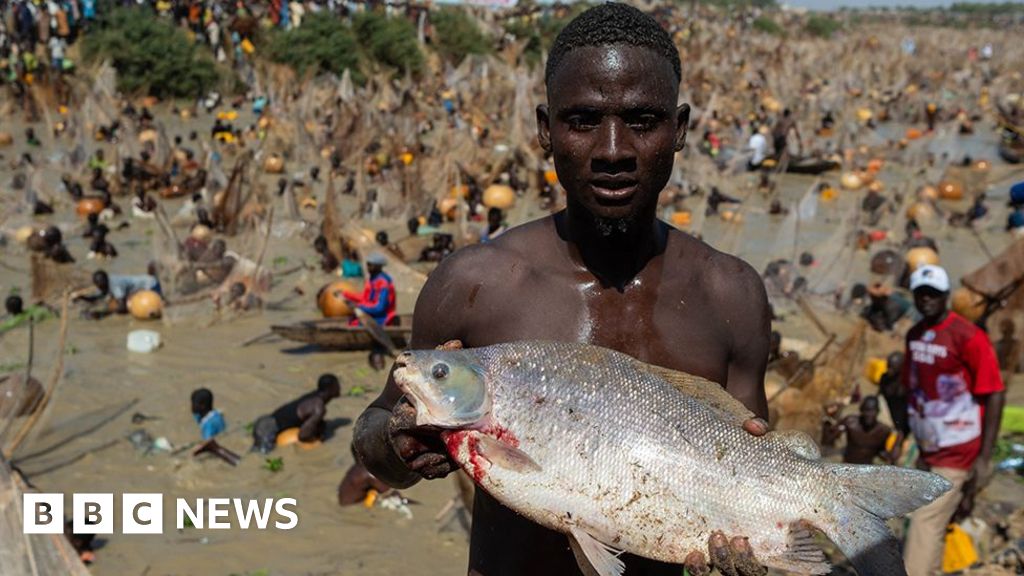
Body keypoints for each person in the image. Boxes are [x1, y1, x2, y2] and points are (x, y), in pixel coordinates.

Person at [353, 5, 771, 575]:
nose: (613, 150)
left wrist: (750, 550)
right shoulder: (475, 283)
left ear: (679, 131)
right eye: (583, 120)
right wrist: (398, 443)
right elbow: (376, 433)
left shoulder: (731, 295)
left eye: (642, 121)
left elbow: (755, 471)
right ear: (546, 130)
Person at [902, 264, 1006, 576]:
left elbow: (995, 392)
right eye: (921, 294)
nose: (926, 300)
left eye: (933, 294)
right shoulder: (915, 335)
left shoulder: (968, 337)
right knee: (931, 525)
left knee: (925, 521)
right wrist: (909, 439)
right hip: (929, 444)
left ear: (946, 296)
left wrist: (984, 457)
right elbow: (913, 388)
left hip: (958, 448)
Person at [252, 374, 342, 453]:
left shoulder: (315, 396)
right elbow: (303, 436)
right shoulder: (318, 408)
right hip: (267, 430)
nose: (340, 388)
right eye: (337, 385)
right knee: (261, 456)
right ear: (331, 388)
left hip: (266, 422)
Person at [822, 396, 902, 465]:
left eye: (872, 411)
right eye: (866, 410)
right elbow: (827, 441)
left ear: (877, 411)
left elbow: (888, 456)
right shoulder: (850, 422)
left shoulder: (883, 431)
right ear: (861, 410)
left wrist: (897, 444)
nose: (869, 414)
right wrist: (828, 422)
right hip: (847, 466)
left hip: (866, 470)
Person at [344, 253, 396, 327]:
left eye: (370, 265)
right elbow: (365, 297)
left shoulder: (383, 284)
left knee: (356, 324)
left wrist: (360, 307)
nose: (367, 267)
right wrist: (346, 295)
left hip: (384, 317)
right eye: (367, 264)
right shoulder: (373, 280)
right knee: (352, 320)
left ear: (377, 267)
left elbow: (380, 308)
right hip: (374, 314)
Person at [74, 270, 161, 314]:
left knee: (157, 308)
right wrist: (82, 298)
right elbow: (97, 298)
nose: (100, 287)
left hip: (151, 285)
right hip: (145, 286)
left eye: (101, 284)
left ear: (106, 280)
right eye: (98, 285)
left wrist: (102, 313)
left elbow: (122, 308)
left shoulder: (115, 285)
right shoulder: (104, 285)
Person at [879, 351, 910, 436]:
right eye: (888, 366)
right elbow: (882, 400)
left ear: (901, 367)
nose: (889, 370)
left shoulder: (908, 382)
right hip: (891, 416)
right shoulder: (885, 379)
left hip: (906, 420)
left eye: (892, 367)